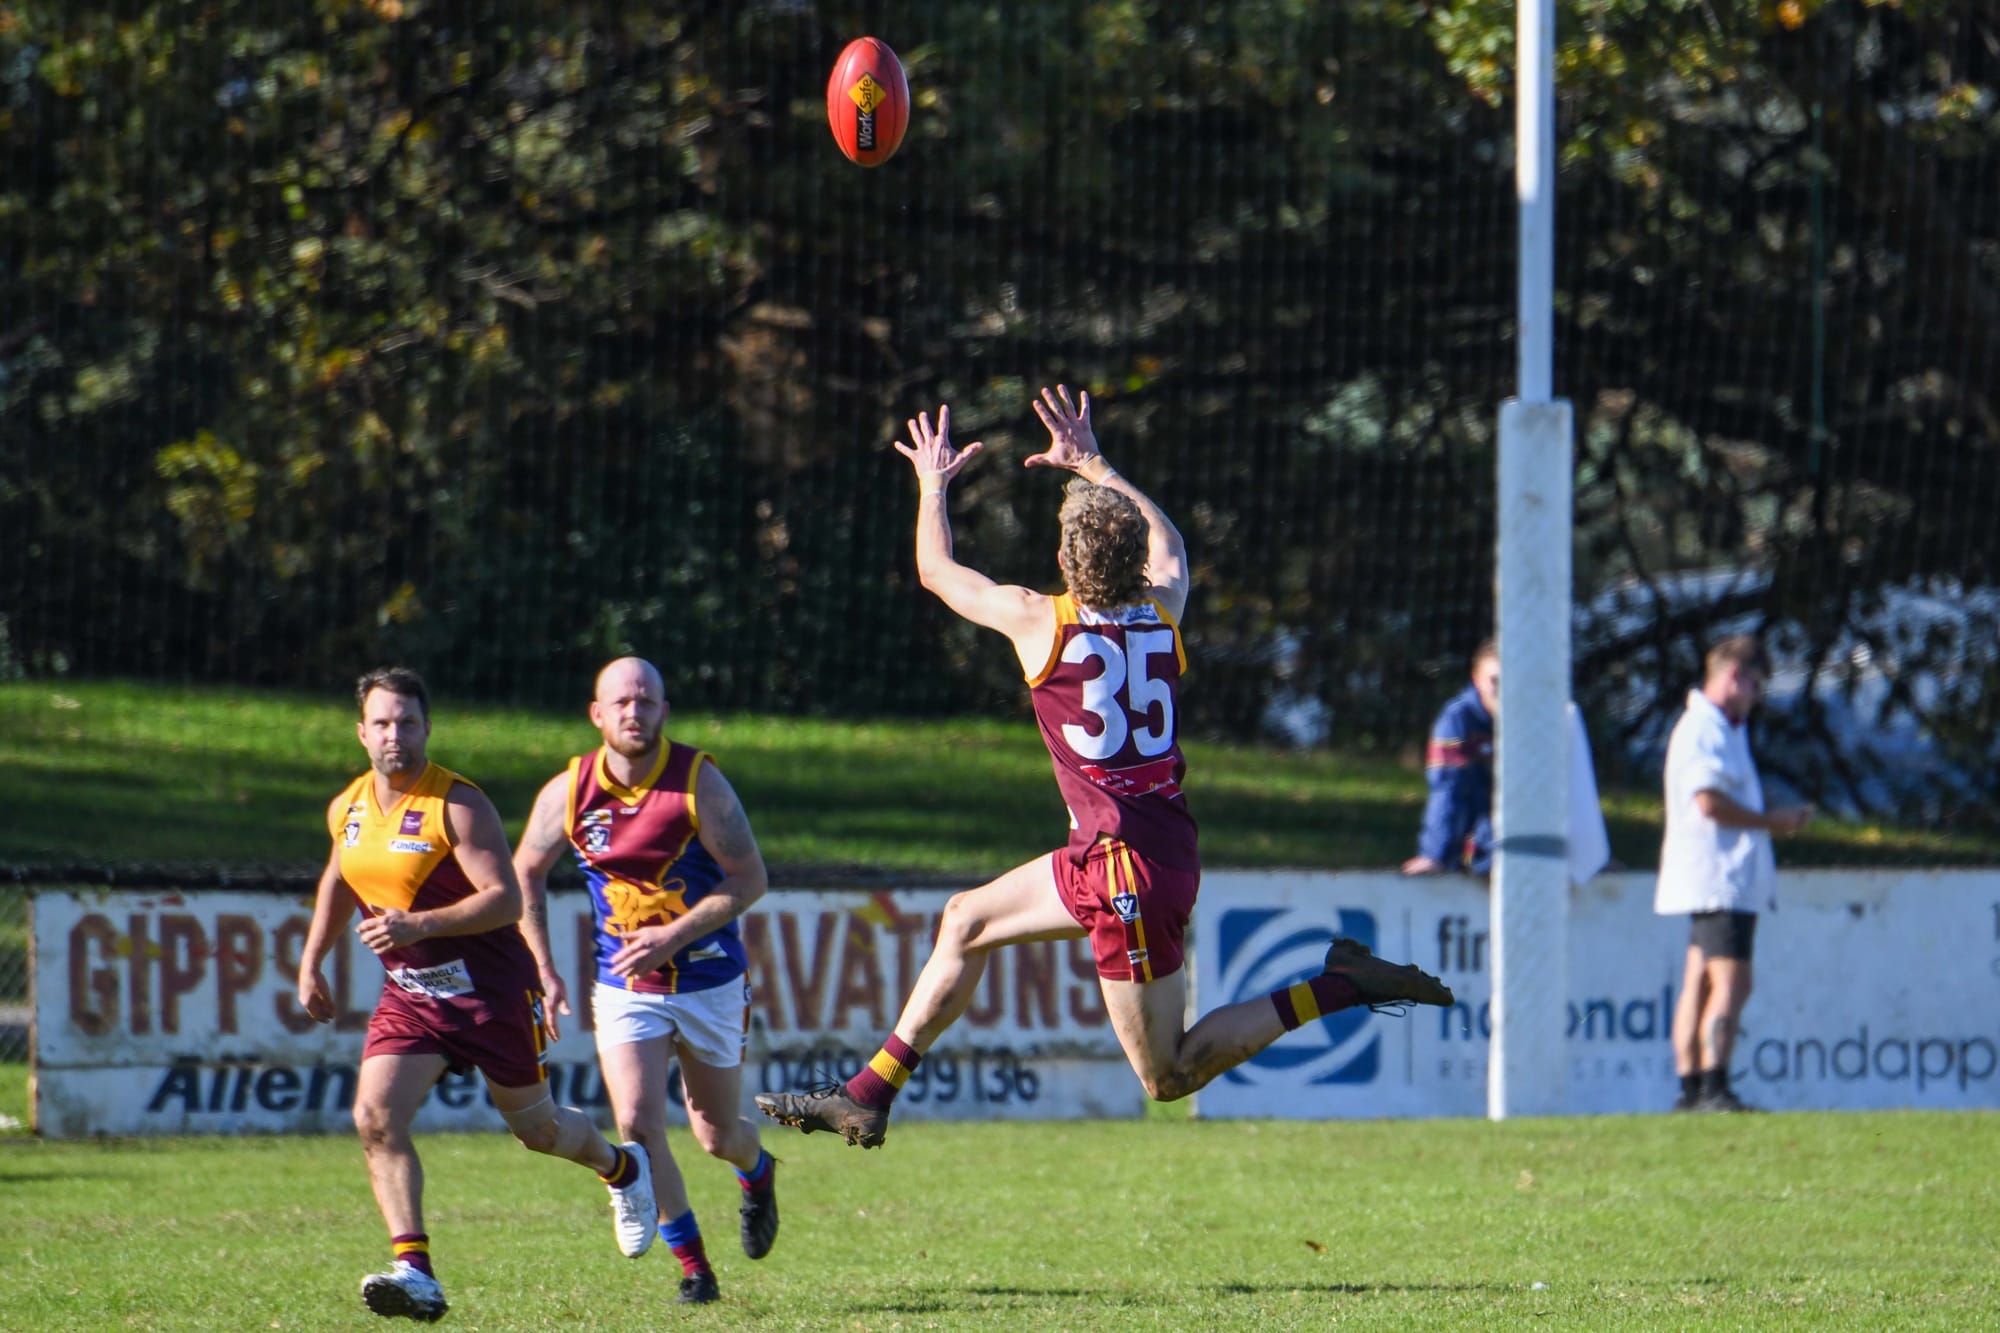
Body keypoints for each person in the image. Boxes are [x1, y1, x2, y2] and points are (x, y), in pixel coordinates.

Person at [755, 385, 1454, 1148]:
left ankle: (1337, 984)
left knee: (1167, 1076)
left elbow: (936, 569)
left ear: (1062, 559)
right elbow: (1173, 543)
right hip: (1127, 854)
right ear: (1133, 561)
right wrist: (1096, 463)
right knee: (965, 920)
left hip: (1127, 875)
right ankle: (867, 1094)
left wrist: (931, 485)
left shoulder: (1037, 619)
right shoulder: (1163, 610)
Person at [297, 667, 658, 1324]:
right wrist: (311, 960)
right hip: (410, 997)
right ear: (361, 732)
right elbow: (339, 876)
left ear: (427, 728)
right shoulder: (347, 806)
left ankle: (622, 1169)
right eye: (381, 722)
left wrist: (419, 924)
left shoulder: (457, 803)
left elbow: (506, 898)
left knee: (539, 1129)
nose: (394, 735)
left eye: (407, 722)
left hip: (489, 993)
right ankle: (416, 1268)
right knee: (375, 1117)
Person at [513, 656, 777, 1306]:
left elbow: (750, 879)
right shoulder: (570, 790)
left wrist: (673, 933)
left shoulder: (698, 782)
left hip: (710, 979)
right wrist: (541, 967)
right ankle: (695, 1269)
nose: (635, 711)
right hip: (627, 986)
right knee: (636, 1122)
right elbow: (525, 871)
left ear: (663, 710)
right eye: (622, 701)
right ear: (597, 714)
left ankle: (759, 1169)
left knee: (716, 1133)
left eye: (647, 700)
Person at [1655, 636, 1813, 1113]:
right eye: (1756, 685)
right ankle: (1713, 1086)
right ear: (1734, 677)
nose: (1758, 697)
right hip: (1718, 877)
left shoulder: (1723, 727)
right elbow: (1708, 802)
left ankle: (1691, 1087)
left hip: (1715, 876)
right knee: (1733, 982)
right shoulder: (1704, 730)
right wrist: (1773, 821)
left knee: (1701, 979)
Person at [1402, 639, 1498, 875]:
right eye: (1495, 681)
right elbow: (1448, 789)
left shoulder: (1539, 723)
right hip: (1481, 859)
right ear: (1476, 679)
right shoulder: (1457, 721)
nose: (1504, 690)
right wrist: (1435, 855)